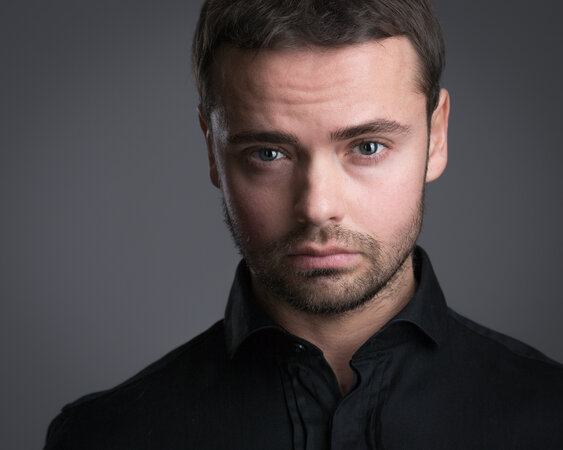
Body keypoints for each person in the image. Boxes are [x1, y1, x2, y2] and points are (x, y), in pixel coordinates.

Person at [44, 0, 563, 448]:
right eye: (268, 153)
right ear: (211, 147)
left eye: (368, 147)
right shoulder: (104, 437)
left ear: (437, 135)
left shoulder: (550, 419)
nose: (317, 207)